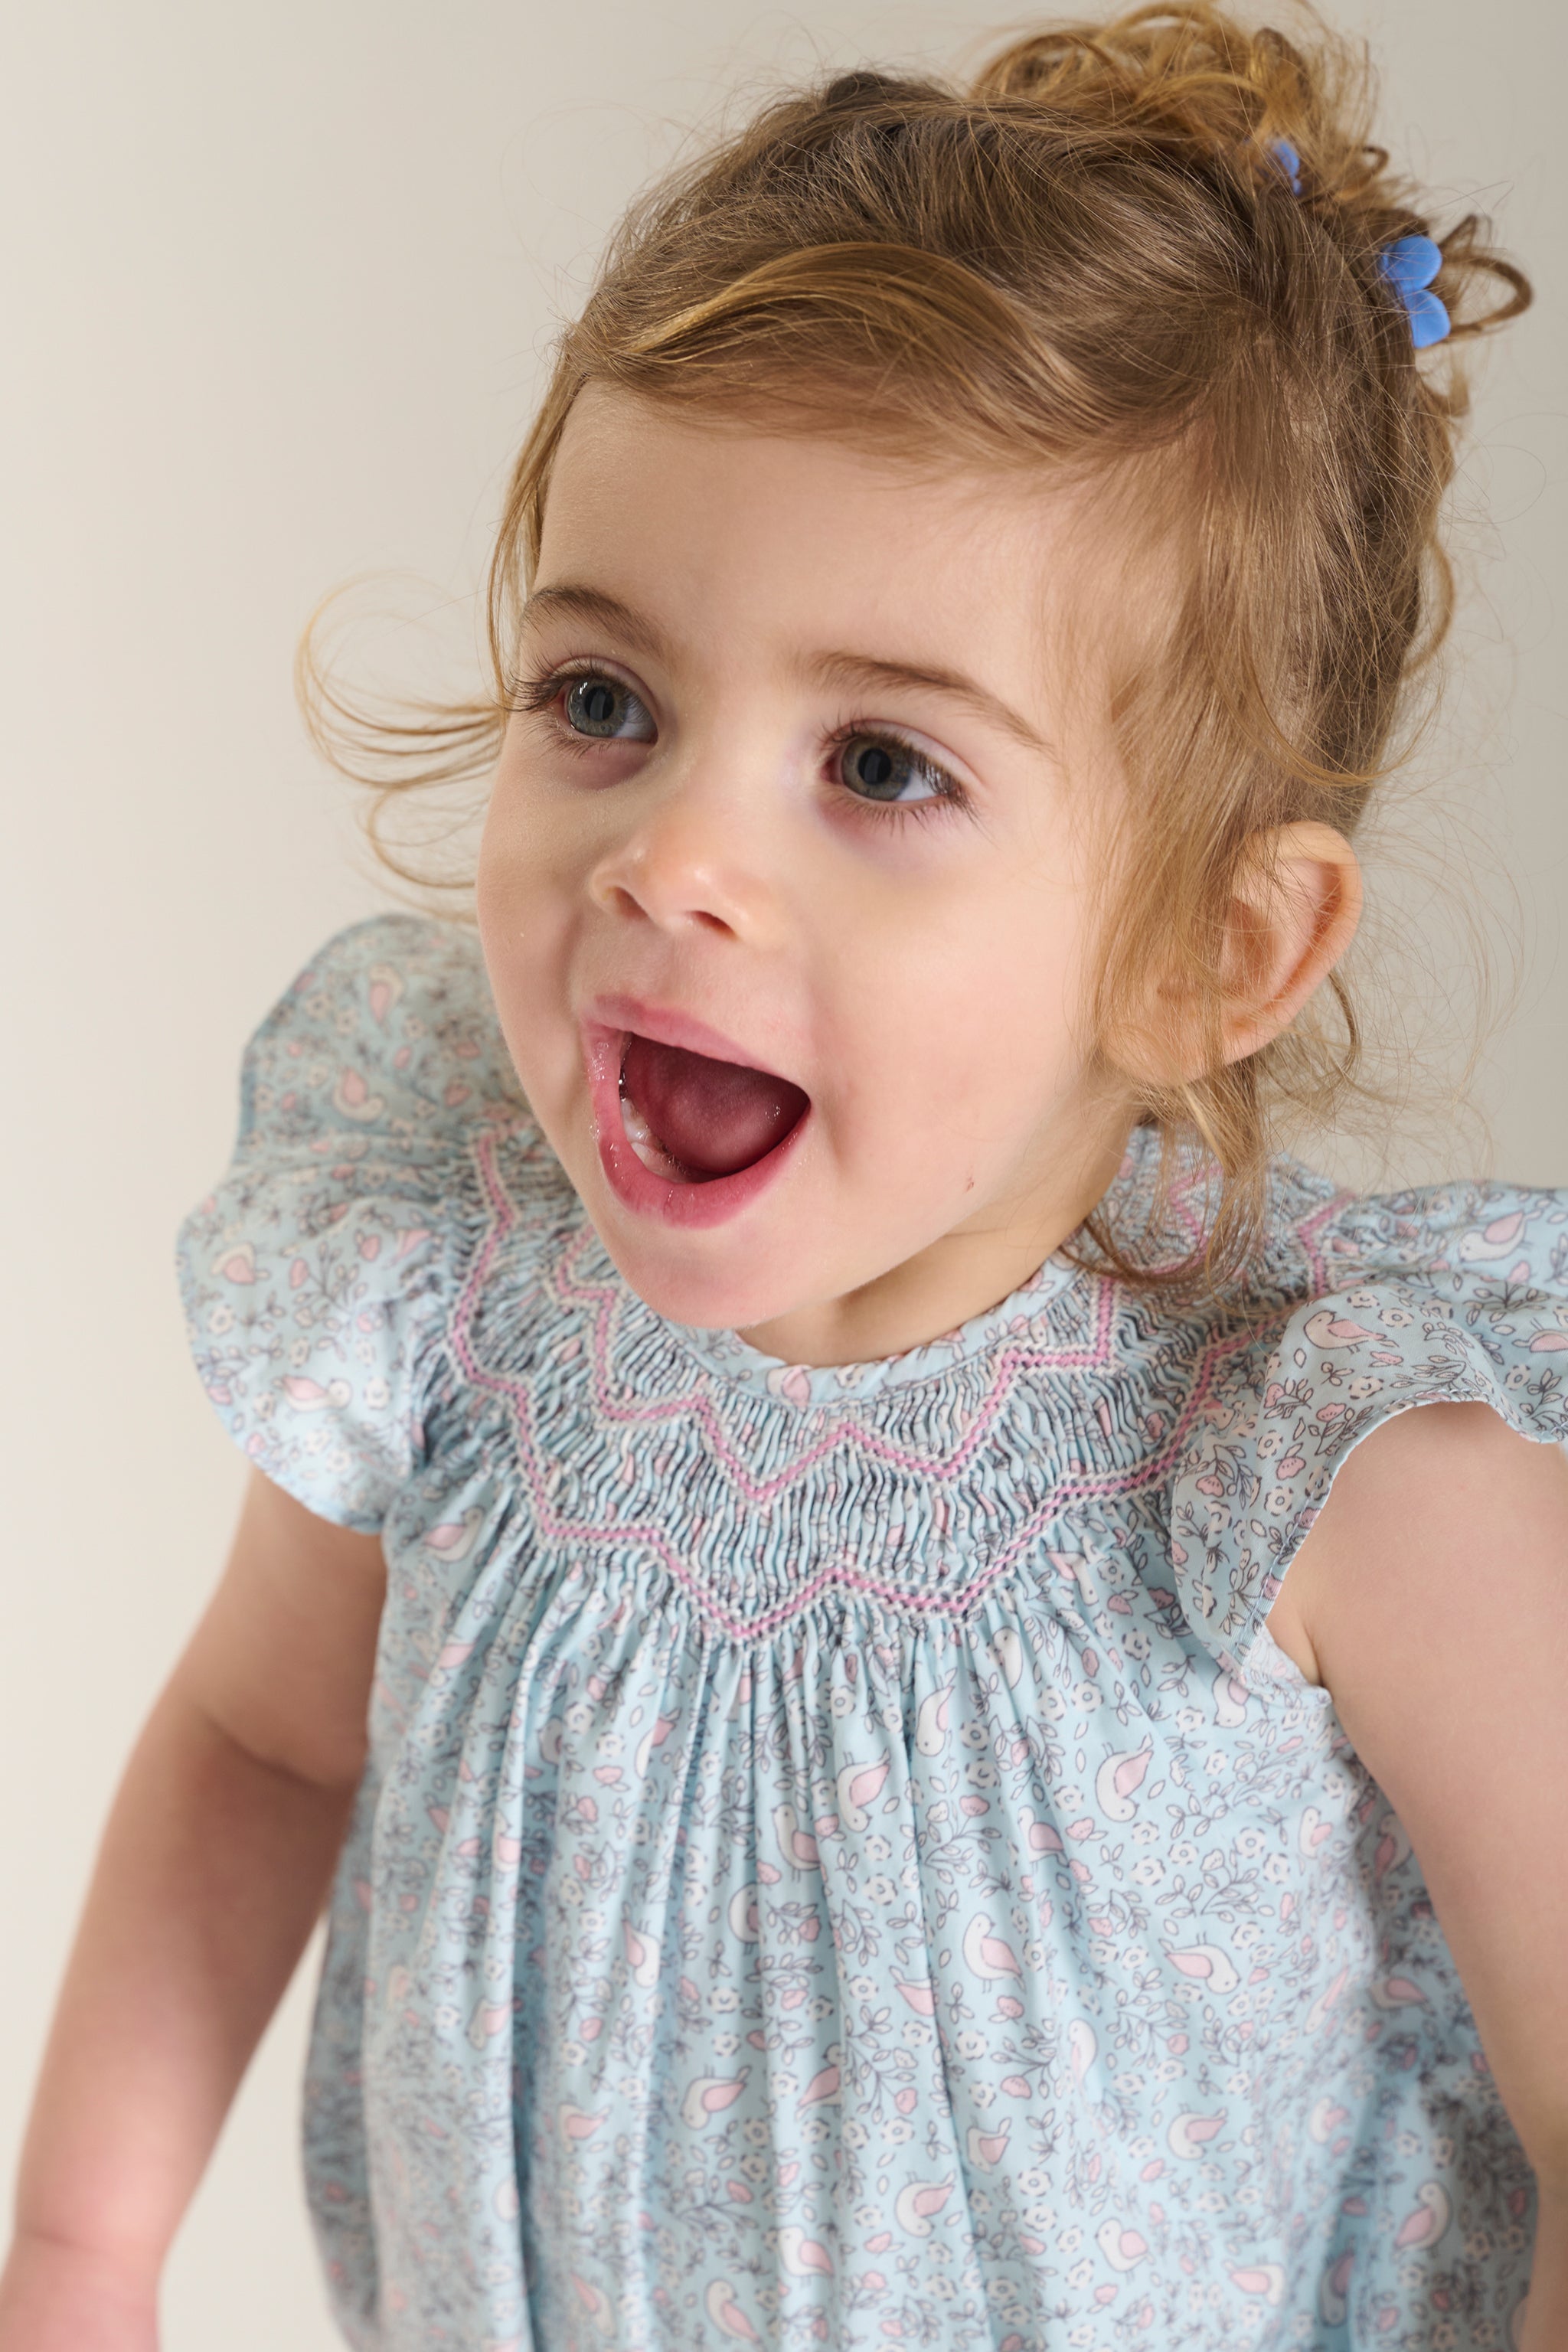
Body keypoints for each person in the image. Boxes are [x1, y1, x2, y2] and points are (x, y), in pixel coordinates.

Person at [3, 6, 1563, 2348]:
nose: (674, 861)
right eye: (607, 702)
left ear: (1209, 955)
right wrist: (81, 2253)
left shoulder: (1329, 1469)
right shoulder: (444, 1307)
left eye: (879, 764)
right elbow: (255, 1740)